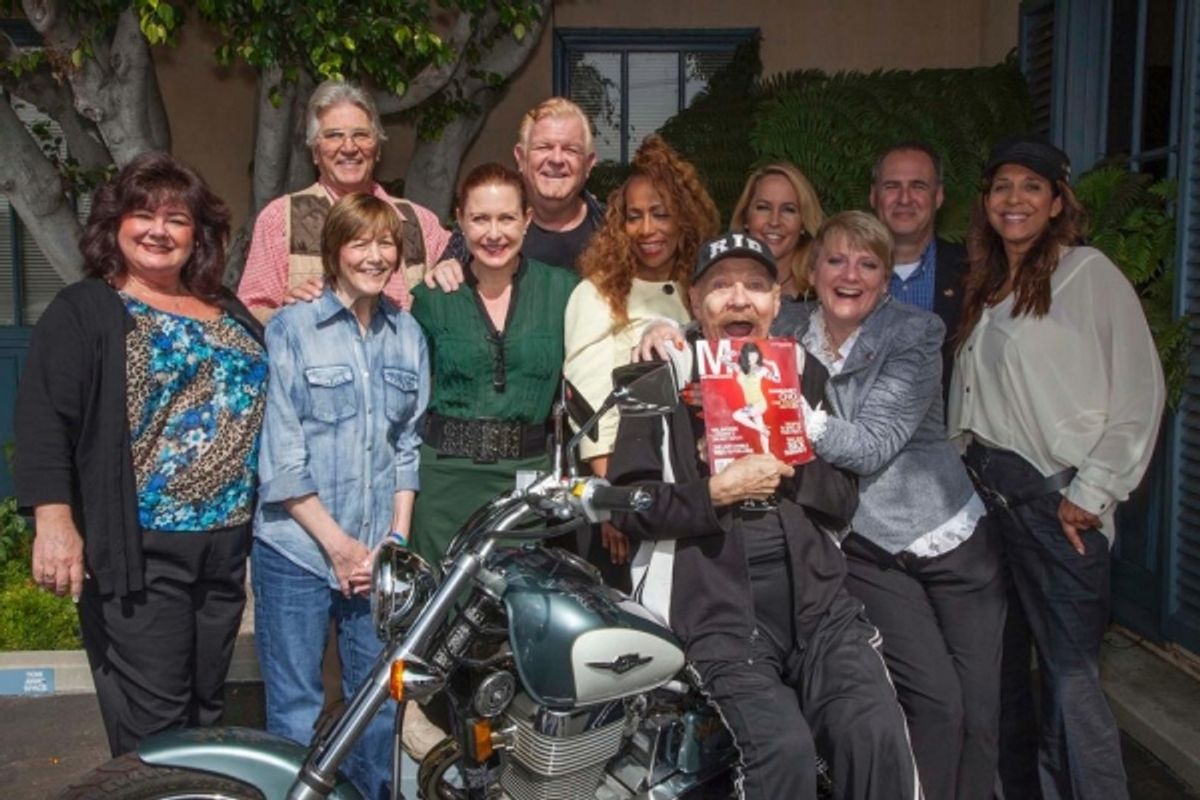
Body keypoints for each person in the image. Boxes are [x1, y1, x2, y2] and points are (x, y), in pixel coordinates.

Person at [608, 231, 920, 800]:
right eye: (720, 286)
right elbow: (629, 506)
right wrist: (714, 492)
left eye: (755, 285)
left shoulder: (801, 371)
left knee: (873, 732)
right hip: (714, 613)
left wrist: (790, 459)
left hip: (818, 609)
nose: (739, 299)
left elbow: (843, 499)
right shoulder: (659, 374)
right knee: (782, 751)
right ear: (696, 301)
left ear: (777, 302)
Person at [13, 152, 267, 756]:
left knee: (205, 710)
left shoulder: (229, 311)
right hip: (142, 550)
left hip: (225, 546)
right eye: (143, 215)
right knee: (155, 720)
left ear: (198, 235)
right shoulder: (88, 309)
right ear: (115, 225)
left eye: (177, 219)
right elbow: (44, 420)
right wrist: (54, 522)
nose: (159, 230)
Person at [950, 137, 1165, 800]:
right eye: (1002, 186)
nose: (1014, 199)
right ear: (986, 202)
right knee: (1005, 673)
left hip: (1055, 507)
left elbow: (1140, 392)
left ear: (1056, 203)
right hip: (989, 504)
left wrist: (1092, 492)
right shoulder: (990, 284)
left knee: (1071, 681)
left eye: (1031, 187)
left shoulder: (1088, 274)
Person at [786, 211, 1005, 800]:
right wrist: (664, 331)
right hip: (870, 548)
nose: (849, 275)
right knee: (935, 703)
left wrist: (790, 411)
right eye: (836, 260)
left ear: (885, 281)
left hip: (951, 538)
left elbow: (871, 446)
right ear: (813, 270)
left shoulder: (915, 331)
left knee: (979, 712)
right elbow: (717, 325)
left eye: (868, 264)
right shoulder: (787, 328)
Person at [253, 193, 429, 800]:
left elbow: (407, 447)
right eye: (360, 243)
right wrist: (338, 546)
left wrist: (393, 541)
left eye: (386, 244)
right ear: (333, 252)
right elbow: (281, 459)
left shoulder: (408, 335)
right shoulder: (292, 329)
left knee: (377, 707)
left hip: (375, 557)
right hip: (297, 551)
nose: (375, 257)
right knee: (297, 708)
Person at [408, 163, 577, 569]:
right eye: (480, 219)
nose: (494, 233)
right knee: (441, 603)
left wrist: (658, 328)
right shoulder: (432, 298)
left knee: (516, 600)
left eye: (506, 218)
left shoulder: (563, 291)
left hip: (525, 486)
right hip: (443, 485)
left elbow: (615, 332)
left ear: (527, 220)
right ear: (460, 222)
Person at [564, 135, 720, 574]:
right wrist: (614, 501)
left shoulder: (704, 290)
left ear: (685, 219)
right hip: (626, 485)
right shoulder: (597, 293)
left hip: (693, 487)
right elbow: (591, 406)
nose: (648, 229)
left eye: (661, 213)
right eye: (634, 216)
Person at [237, 79, 450, 321]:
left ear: (378, 149)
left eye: (361, 135)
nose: (349, 147)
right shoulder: (280, 219)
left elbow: (468, 269)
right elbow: (249, 314)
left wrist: (453, 265)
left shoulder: (419, 222)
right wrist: (288, 316)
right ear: (315, 152)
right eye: (334, 136)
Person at [424, 97, 604, 290]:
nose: (557, 159)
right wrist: (446, 269)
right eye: (544, 147)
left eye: (570, 150)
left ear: (589, 163)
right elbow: (446, 275)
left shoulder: (612, 228)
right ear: (520, 157)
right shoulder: (481, 226)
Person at [868, 142, 967, 403]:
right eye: (892, 186)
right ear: (874, 196)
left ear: (938, 196)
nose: (904, 199)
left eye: (918, 186)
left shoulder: (973, 272)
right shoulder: (843, 275)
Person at [730, 162, 825, 300]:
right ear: (746, 217)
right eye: (763, 208)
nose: (774, 221)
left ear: (803, 223)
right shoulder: (721, 290)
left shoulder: (822, 293)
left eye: (788, 210)